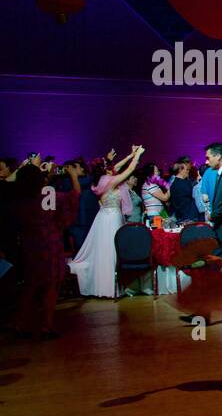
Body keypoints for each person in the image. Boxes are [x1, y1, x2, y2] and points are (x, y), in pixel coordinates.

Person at [10, 163, 80, 339]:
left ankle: (18, 322)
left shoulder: (19, 197)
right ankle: (46, 325)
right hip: (49, 242)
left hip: (30, 243)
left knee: (30, 284)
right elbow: (74, 196)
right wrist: (73, 176)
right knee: (51, 284)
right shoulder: (47, 195)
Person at [68, 145, 145, 298]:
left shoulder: (100, 181)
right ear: (105, 169)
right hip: (112, 218)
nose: (113, 168)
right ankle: (110, 288)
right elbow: (128, 171)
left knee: (104, 251)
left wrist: (130, 155)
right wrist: (138, 155)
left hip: (102, 218)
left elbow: (117, 167)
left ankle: (107, 285)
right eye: (109, 166)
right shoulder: (110, 181)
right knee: (111, 251)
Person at [169, 159, 202, 224]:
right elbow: (194, 195)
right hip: (188, 215)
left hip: (180, 214)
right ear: (180, 170)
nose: (188, 171)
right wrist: (198, 184)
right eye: (187, 169)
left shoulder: (174, 182)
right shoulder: (183, 183)